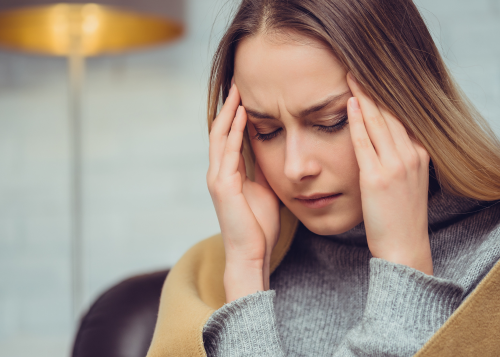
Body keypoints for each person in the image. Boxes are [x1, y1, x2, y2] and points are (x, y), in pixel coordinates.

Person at [146, 0, 500, 356]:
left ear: (408, 103)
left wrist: (403, 264)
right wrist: (246, 275)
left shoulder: (491, 264)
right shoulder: (206, 275)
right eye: (266, 130)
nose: (295, 168)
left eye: (331, 121)